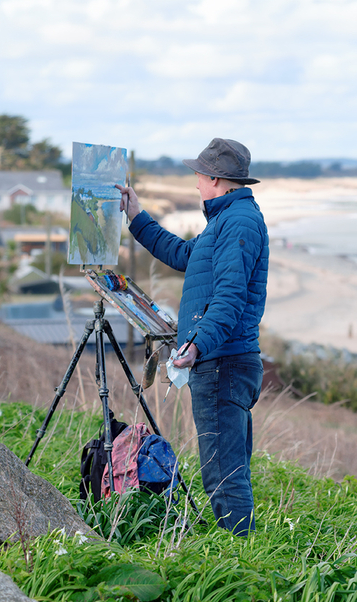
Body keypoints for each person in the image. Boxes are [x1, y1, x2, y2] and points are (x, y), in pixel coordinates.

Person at [116, 138, 268, 536]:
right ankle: (245, 554)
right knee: (227, 469)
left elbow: (230, 296)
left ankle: (241, 565)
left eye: (198, 174)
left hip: (223, 362)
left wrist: (198, 343)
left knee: (222, 475)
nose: (196, 181)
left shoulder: (238, 222)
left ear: (215, 178)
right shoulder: (228, 219)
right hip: (227, 359)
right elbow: (185, 255)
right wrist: (136, 216)